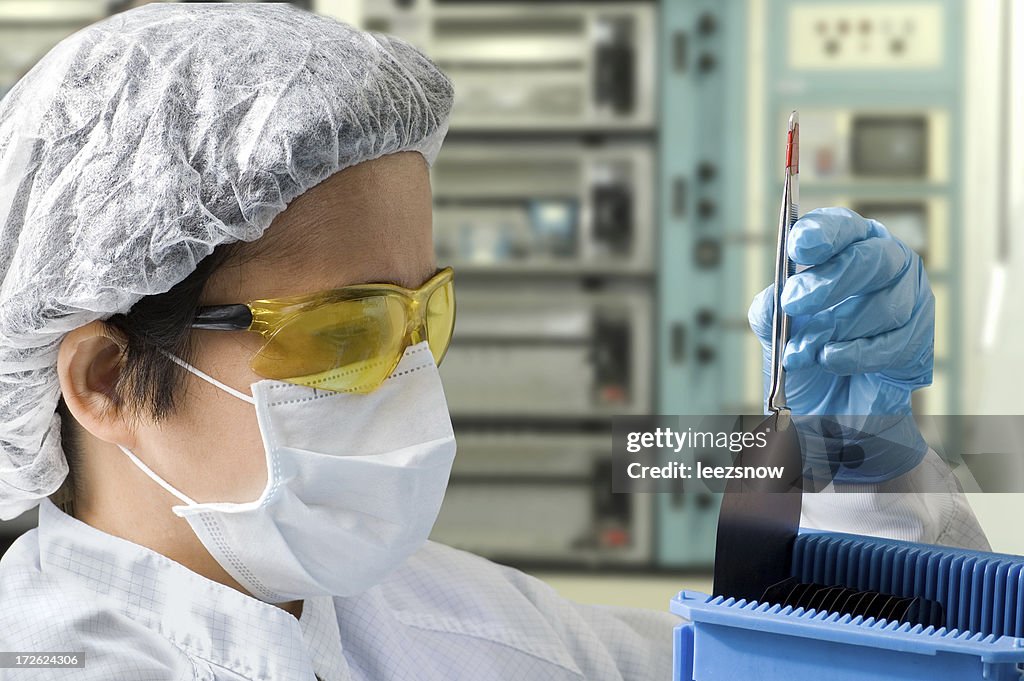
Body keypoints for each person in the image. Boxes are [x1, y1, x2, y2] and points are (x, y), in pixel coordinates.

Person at [0, 4, 986, 680]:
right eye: (346, 330)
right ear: (104, 378)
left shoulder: (460, 629)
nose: (409, 379)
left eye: (424, 317)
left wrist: (866, 467)